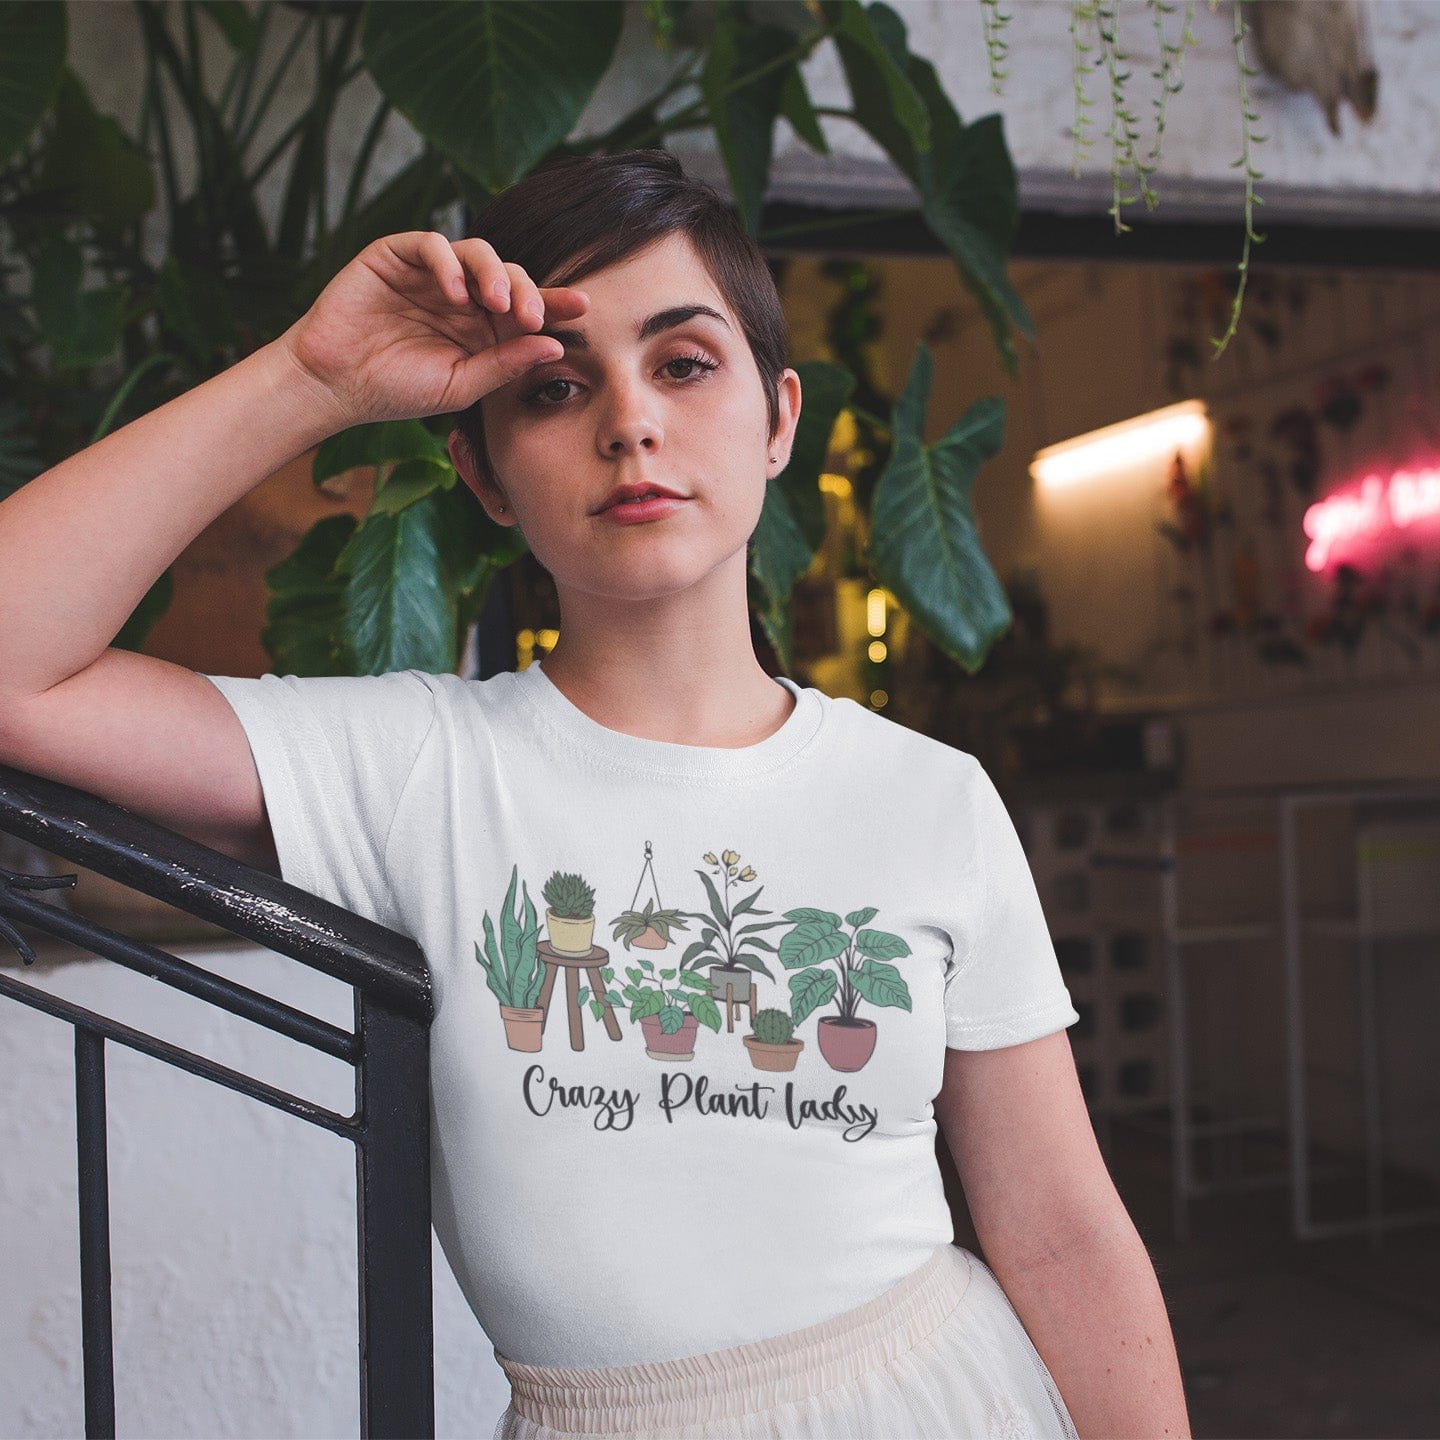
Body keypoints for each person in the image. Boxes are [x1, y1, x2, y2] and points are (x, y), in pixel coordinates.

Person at [0, 149, 1190, 1439]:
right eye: (558, 387)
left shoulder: (931, 800)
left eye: (685, 364)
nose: (630, 422)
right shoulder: (420, 768)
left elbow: (1062, 1233)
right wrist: (312, 377)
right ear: (483, 473)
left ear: (779, 420)